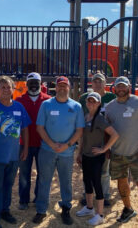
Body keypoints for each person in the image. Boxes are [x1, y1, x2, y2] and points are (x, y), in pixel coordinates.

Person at [32, 76, 85, 225]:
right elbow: (40, 127)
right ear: (56, 87)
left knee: (66, 181)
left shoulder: (76, 106)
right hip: (47, 150)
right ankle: (41, 210)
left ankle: (66, 208)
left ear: (69, 88)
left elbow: (79, 130)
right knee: (44, 180)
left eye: (65, 86)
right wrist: (51, 143)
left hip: (67, 152)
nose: (62, 88)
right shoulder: (46, 104)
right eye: (59, 86)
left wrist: (67, 145)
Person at [0, 76, 31, 228]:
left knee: (8, 185)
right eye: (2, 87)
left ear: (13, 89)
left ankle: (5, 210)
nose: (5, 90)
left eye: (8, 87)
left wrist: (25, 148)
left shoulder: (19, 107)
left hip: (13, 155)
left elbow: (25, 129)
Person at [105, 76, 138, 228]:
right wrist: (107, 148)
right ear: (114, 88)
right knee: (122, 182)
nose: (121, 89)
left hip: (137, 152)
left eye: (123, 86)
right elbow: (107, 129)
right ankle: (128, 208)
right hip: (117, 153)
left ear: (129, 87)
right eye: (118, 86)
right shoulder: (110, 107)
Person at [75, 92, 119, 226]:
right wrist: (79, 152)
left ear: (99, 103)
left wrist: (104, 149)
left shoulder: (99, 119)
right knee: (87, 182)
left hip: (96, 157)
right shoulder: (86, 116)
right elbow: (83, 137)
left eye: (94, 101)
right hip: (86, 155)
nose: (91, 103)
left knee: (97, 184)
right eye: (89, 101)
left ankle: (99, 215)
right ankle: (89, 208)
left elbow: (115, 135)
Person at [78, 73, 116, 207]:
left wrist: (107, 146)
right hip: (88, 138)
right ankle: (87, 195)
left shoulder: (112, 97)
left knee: (104, 171)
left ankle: (104, 195)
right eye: (95, 82)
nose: (98, 84)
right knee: (87, 171)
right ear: (91, 83)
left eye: (100, 82)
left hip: (104, 138)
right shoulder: (84, 98)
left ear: (105, 84)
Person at [15, 72, 51, 210]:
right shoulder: (19, 101)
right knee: (24, 174)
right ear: (26, 84)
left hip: (44, 144)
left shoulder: (48, 100)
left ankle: (38, 198)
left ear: (40, 84)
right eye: (31, 83)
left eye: (36, 83)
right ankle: (23, 200)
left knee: (42, 174)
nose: (34, 85)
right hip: (24, 144)